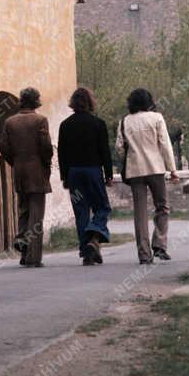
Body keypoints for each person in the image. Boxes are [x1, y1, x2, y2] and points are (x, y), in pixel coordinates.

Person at [115, 88, 179, 264]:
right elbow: (165, 144)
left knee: (140, 213)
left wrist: (127, 159)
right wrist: (172, 169)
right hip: (155, 168)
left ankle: (144, 254)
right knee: (162, 206)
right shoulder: (157, 118)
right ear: (149, 102)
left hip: (135, 171)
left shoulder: (124, 121)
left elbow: (119, 148)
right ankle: (159, 244)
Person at [57, 87, 113, 266]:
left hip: (74, 174)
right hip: (93, 172)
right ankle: (94, 237)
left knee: (81, 211)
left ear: (73, 103)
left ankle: (87, 251)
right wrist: (109, 174)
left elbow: (62, 154)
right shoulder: (98, 124)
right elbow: (105, 151)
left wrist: (64, 176)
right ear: (90, 102)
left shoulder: (65, 125)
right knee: (102, 207)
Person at [0, 87, 52, 268]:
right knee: (36, 216)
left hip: (19, 171)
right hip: (37, 172)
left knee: (23, 211)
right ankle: (34, 257)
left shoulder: (9, 122)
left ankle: (22, 245)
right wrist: (45, 162)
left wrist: (15, 162)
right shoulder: (40, 120)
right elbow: (46, 148)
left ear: (21, 100)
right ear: (36, 101)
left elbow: (4, 148)